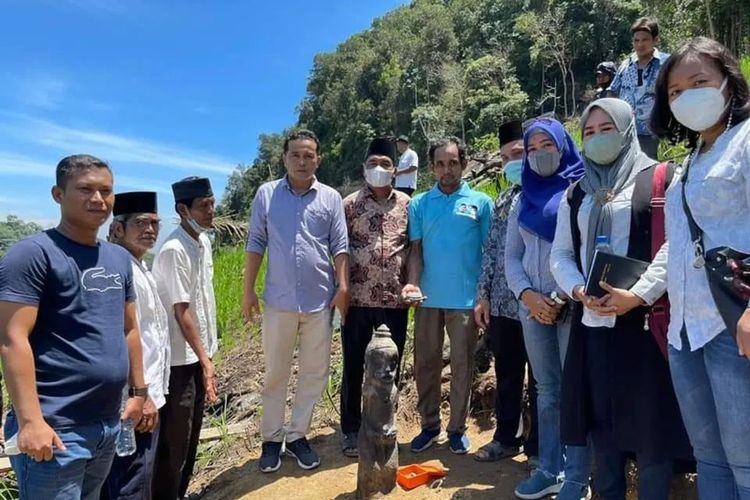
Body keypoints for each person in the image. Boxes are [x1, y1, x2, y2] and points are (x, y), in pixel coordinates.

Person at [550, 98, 693, 500]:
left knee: (650, 432)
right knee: (603, 427)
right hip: (592, 325)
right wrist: (578, 289)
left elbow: (673, 244)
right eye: (589, 133)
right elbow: (561, 253)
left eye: (606, 129)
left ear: (628, 129)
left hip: (643, 325)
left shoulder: (661, 178)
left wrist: (638, 294)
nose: (597, 139)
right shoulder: (576, 193)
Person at [0, 154, 146, 499]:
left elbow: (129, 329)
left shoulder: (118, 258)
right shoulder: (33, 254)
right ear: (58, 194)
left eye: (106, 191)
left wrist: (139, 393)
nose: (98, 199)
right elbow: (11, 339)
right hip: (56, 427)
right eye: (85, 189)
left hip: (107, 424)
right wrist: (31, 421)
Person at [650, 37, 750, 499]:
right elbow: (678, 245)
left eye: (699, 82)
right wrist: (640, 293)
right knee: (710, 459)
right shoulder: (689, 162)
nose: (686, 97)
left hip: (735, 328)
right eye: (675, 92)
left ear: (728, 82)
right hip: (686, 330)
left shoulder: (746, 141)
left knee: (747, 461)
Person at [243, 129, 349, 473]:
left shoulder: (331, 197)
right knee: (275, 373)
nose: (302, 161)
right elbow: (256, 242)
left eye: (308, 155)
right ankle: (272, 440)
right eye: (295, 155)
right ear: (285, 158)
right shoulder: (267, 194)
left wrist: (343, 287)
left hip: (320, 302)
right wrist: (248, 292)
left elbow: (340, 246)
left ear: (318, 158)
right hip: (278, 301)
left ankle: (298, 435)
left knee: (315, 374)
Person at [505, 118, 591, 500]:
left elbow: (585, 250)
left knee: (574, 388)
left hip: (570, 303)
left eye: (548, 144)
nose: (540, 153)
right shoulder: (522, 198)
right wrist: (529, 297)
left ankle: (577, 476)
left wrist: (557, 297)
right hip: (532, 309)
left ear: (564, 146)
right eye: (533, 147)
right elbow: (512, 258)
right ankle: (549, 469)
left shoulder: (581, 191)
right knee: (547, 390)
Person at [401, 136, 493, 455]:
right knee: (425, 363)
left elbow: (489, 251)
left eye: (453, 162)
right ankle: (429, 427)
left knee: (462, 366)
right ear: (432, 167)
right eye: (440, 163)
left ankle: (456, 429)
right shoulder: (420, 204)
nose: (447, 169)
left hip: (466, 302)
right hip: (427, 299)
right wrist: (413, 284)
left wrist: (484, 295)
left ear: (463, 164)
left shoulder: (481, 203)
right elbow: (416, 250)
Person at [339, 138, 410, 457]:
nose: (378, 169)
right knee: (354, 365)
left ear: (396, 169)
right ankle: (351, 429)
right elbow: (338, 251)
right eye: (372, 163)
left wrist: (412, 285)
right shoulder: (349, 204)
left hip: (395, 301)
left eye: (385, 163)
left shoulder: (409, 205)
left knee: (389, 368)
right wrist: (340, 291)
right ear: (363, 167)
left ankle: (384, 422)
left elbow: (414, 250)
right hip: (357, 300)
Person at [474, 120, 539, 465]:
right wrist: (482, 295)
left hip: (538, 306)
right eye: (504, 157)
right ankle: (506, 439)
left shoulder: (551, 195)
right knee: (508, 375)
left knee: (542, 380)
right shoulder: (501, 199)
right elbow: (492, 251)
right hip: (501, 305)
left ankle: (540, 447)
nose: (512, 161)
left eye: (518, 153)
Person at [152, 177, 219, 499]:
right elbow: (183, 311)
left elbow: (204, 299)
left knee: (192, 433)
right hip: (179, 360)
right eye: (203, 206)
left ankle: (180, 493)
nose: (211, 212)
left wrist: (208, 353)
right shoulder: (173, 250)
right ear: (182, 209)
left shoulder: (202, 242)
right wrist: (206, 362)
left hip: (199, 352)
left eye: (212, 204)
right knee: (174, 439)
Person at [102, 191, 170, 500]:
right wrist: (140, 395)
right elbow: (120, 337)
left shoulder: (141, 267)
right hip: (134, 400)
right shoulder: (118, 270)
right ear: (118, 229)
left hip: (147, 394)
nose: (151, 230)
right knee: (131, 482)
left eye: (155, 223)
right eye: (141, 223)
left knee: (137, 477)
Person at [608, 16, 670, 159]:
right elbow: (612, 93)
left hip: (654, 131)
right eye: (636, 40)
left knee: (648, 172)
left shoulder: (666, 64)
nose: (640, 44)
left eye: (645, 40)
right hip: (626, 131)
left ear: (655, 40)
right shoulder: (625, 65)